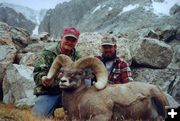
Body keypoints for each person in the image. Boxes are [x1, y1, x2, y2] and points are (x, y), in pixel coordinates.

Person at [33, 27, 81, 118]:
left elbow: (86, 73)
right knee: (39, 116)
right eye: (67, 39)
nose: (70, 42)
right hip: (50, 92)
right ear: (61, 37)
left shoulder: (78, 57)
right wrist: (44, 79)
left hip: (70, 91)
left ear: (76, 42)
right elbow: (37, 73)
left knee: (87, 81)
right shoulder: (48, 53)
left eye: (73, 40)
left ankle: (76, 110)